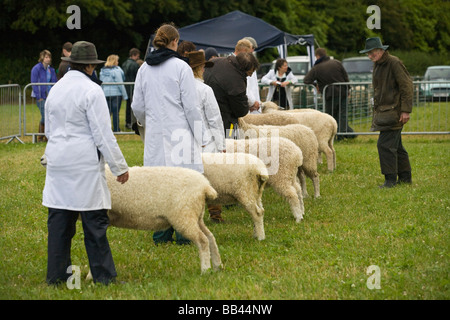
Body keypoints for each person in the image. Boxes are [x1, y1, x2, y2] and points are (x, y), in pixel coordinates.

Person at [43, 41, 129, 285]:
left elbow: (49, 131)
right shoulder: (92, 91)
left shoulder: (55, 90)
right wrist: (119, 167)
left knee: (59, 222)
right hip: (83, 164)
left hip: (58, 162)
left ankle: (56, 277)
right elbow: (103, 134)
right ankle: (104, 277)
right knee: (93, 223)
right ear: (91, 65)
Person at [132, 23, 206, 244]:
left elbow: (137, 106)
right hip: (180, 133)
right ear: (175, 42)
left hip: (156, 135)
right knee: (182, 186)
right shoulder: (181, 68)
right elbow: (191, 107)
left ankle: (161, 233)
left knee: (159, 187)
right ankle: (184, 233)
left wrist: (149, 124)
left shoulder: (144, 69)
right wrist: (200, 136)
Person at [359, 37, 413, 188]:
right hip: (385, 112)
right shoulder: (378, 64)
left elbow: (407, 86)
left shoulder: (394, 63)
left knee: (384, 145)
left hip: (394, 112)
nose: (370, 56)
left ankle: (390, 180)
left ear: (381, 50)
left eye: (372, 53)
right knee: (397, 146)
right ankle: (405, 177)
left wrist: (405, 110)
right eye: (368, 54)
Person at [187, 50, 226, 223]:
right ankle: (215, 213)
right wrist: (221, 145)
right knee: (210, 179)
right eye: (202, 66)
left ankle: (191, 214)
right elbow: (214, 119)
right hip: (205, 141)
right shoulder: (204, 90)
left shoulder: (179, 88)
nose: (204, 69)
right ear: (198, 68)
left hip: (184, 140)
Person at [204, 52, 260, 139]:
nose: (250, 75)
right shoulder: (237, 82)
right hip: (224, 121)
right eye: (250, 72)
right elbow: (240, 111)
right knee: (228, 147)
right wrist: (246, 107)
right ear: (244, 68)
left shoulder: (215, 61)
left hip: (205, 116)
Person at [304, 48, 354, 139]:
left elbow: (306, 80)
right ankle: (342, 135)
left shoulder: (316, 68)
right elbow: (345, 76)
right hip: (343, 91)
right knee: (342, 114)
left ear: (317, 56)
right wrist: (348, 89)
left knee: (330, 116)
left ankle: (331, 135)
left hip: (329, 94)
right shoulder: (337, 62)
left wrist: (316, 85)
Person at [31, 49, 57, 142]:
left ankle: (43, 136)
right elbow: (33, 83)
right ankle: (43, 136)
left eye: (49, 57)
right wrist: (39, 96)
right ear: (42, 58)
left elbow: (54, 82)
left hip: (50, 96)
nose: (48, 59)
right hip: (41, 96)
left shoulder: (51, 69)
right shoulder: (36, 68)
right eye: (46, 57)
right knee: (44, 115)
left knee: (47, 115)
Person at [100, 54, 128, 132]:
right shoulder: (117, 70)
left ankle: (106, 130)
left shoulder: (102, 70)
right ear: (115, 61)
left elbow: (101, 83)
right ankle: (116, 129)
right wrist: (125, 95)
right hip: (116, 94)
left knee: (107, 113)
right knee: (115, 113)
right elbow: (120, 83)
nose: (118, 62)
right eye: (117, 61)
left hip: (105, 93)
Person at [122, 48, 141, 129]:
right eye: (137, 56)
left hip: (126, 87)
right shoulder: (135, 65)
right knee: (133, 107)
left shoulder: (124, 63)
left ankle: (127, 122)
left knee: (128, 106)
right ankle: (132, 122)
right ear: (134, 55)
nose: (138, 58)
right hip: (133, 88)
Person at [243, 37, 262, 114]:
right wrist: (252, 102)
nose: (253, 50)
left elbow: (253, 85)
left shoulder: (251, 61)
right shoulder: (244, 63)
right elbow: (246, 86)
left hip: (254, 104)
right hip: (250, 104)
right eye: (252, 48)